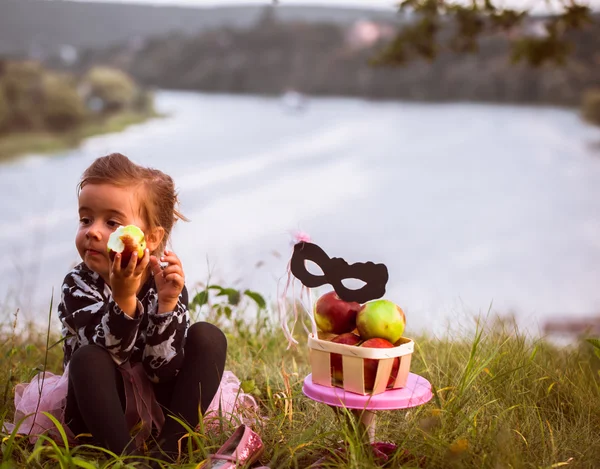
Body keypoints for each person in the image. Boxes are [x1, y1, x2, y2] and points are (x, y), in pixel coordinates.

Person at [56, 152, 227, 464]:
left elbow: (163, 372)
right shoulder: (78, 286)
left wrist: (167, 305)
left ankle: (171, 446)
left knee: (209, 336)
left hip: (159, 404)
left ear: (150, 238)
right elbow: (112, 355)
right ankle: (126, 459)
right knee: (89, 359)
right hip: (99, 413)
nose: (92, 231)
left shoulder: (163, 286)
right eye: (85, 219)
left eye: (111, 222)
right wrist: (122, 299)